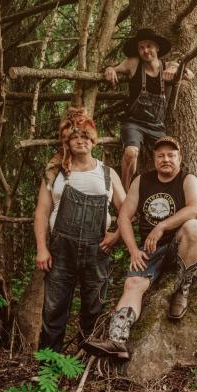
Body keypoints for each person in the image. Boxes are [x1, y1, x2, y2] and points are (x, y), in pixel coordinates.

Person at [83, 136, 197, 360]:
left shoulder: (188, 180)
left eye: (171, 155)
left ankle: (182, 287)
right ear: (154, 159)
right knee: (132, 283)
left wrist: (162, 226)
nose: (166, 159)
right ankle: (117, 340)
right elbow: (124, 217)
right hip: (150, 249)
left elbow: (195, 209)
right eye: (161, 156)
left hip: (178, 243)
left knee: (195, 228)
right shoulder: (142, 181)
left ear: (180, 157)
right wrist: (132, 249)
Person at [34, 108, 126, 352]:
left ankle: (88, 362)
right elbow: (42, 212)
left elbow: (127, 212)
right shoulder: (55, 173)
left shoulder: (107, 174)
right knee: (54, 309)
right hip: (60, 250)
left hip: (98, 249)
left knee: (93, 307)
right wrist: (42, 248)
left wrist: (116, 235)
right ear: (66, 141)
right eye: (74, 136)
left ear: (93, 139)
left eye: (85, 136)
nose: (80, 140)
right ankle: (48, 366)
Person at [103, 28, 194, 190]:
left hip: (157, 126)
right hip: (134, 123)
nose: (145, 50)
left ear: (157, 48)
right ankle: (124, 195)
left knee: (171, 157)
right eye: (141, 47)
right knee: (131, 152)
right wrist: (109, 70)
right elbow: (112, 68)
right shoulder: (133, 63)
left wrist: (175, 70)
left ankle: (172, 191)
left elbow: (190, 75)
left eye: (149, 46)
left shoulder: (169, 65)